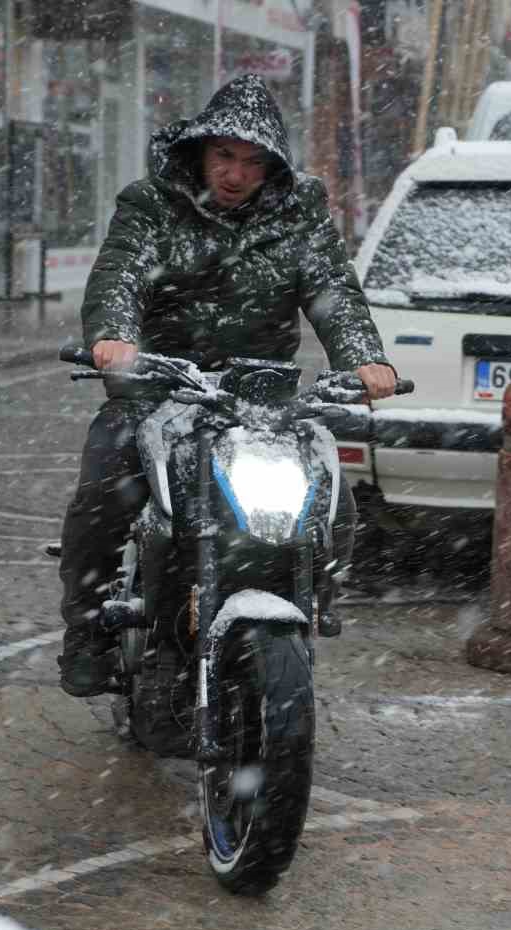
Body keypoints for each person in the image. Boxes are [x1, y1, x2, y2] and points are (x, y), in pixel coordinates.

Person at [57, 74, 397, 697]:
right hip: (159, 384)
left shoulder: (301, 212)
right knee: (108, 480)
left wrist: (365, 358)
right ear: (200, 153)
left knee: (330, 493)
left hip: (260, 392)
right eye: (224, 157)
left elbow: (333, 292)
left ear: (272, 168)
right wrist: (115, 337)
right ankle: (88, 629)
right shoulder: (151, 204)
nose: (236, 174)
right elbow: (119, 275)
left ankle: (312, 592)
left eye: (252, 162)